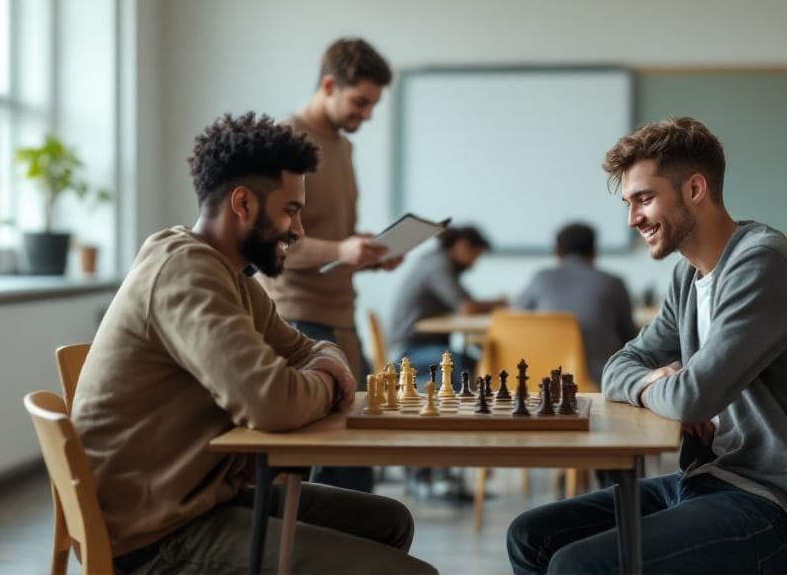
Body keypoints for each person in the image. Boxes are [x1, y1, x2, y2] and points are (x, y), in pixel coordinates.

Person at [71, 112, 434, 575]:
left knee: (389, 520)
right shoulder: (186, 273)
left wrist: (321, 364)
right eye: (291, 210)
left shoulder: (229, 273)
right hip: (155, 536)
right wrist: (326, 380)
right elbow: (270, 403)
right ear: (243, 204)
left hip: (200, 500)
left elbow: (304, 349)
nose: (299, 231)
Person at [507, 116, 787, 574]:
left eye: (644, 199)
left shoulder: (761, 263)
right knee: (532, 536)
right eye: (630, 203)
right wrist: (652, 380)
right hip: (710, 480)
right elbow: (620, 364)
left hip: (778, 506)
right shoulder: (688, 277)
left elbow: (694, 396)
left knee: (579, 565)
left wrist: (663, 388)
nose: (633, 219)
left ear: (695, 189)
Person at [257, 37, 397, 493]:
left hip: (340, 316)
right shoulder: (284, 143)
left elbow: (333, 239)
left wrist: (367, 255)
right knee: (324, 466)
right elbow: (268, 241)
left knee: (356, 462)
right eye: (360, 102)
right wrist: (340, 251)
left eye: (373, 105)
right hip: (294, 319)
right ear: (330, 84)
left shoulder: (342, 147)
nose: (367, 115)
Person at [514, 221, 638, 383]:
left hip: (541, 376)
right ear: (594, 251)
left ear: (557, 252)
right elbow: (629, 336)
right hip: (597, 379)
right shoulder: (612, 282)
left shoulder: (540, 278)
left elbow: (516, 320)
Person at [387, 225, 506, 390]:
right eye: (475, 255)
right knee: (453, 362)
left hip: (426, 343)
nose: (474, 262)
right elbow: (467, 308)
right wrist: (499, 303)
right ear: (462, 245)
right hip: (408, 348)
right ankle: (456, 412)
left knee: (477, 364)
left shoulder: (441, 263)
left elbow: (465, 301)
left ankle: (475, 407)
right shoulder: (438, 265)